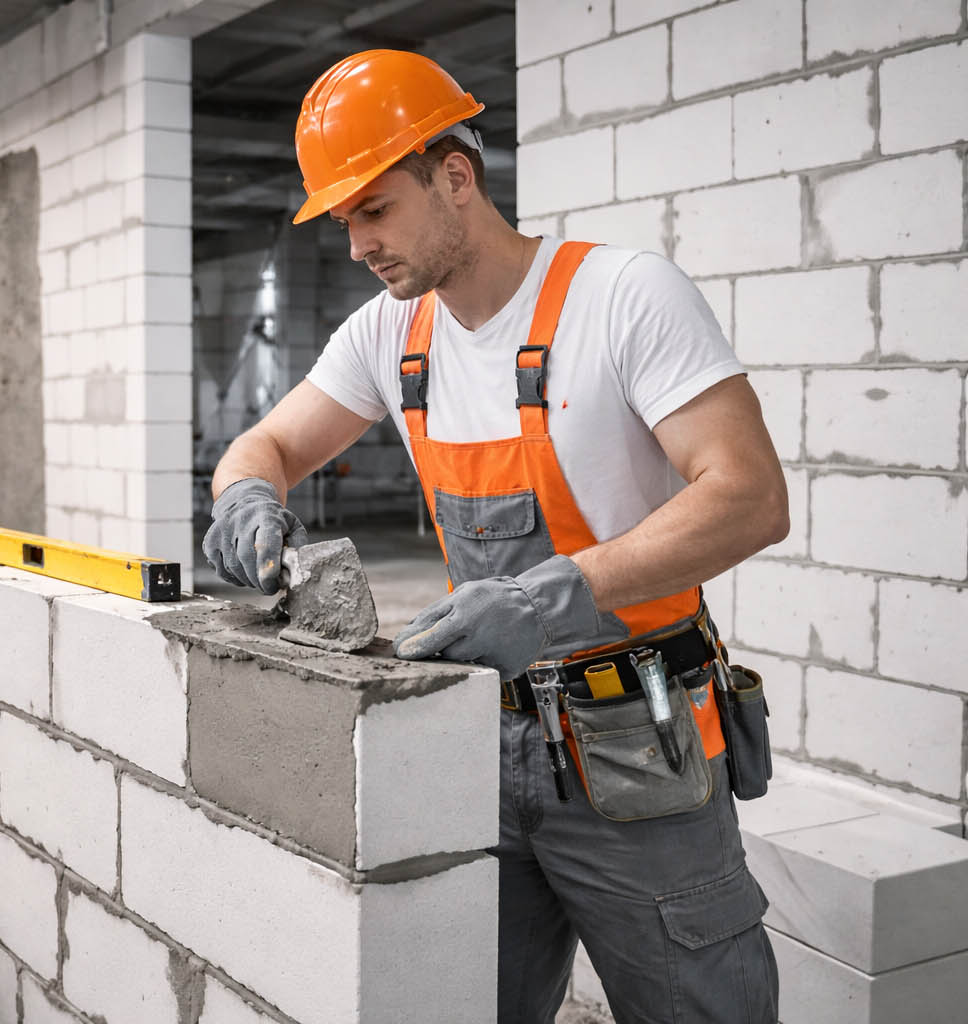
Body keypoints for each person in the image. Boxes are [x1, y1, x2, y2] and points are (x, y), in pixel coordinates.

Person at [202, 49, 786, 1023]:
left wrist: (544, 598)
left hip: (633, 732)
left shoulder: (624, 297)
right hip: (478, 736)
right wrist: (244, 498)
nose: (356, 245)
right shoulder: (390, 335)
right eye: (342, 220)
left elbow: (750, 495)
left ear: (456, 177)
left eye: (374, 209)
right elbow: (261, 445)